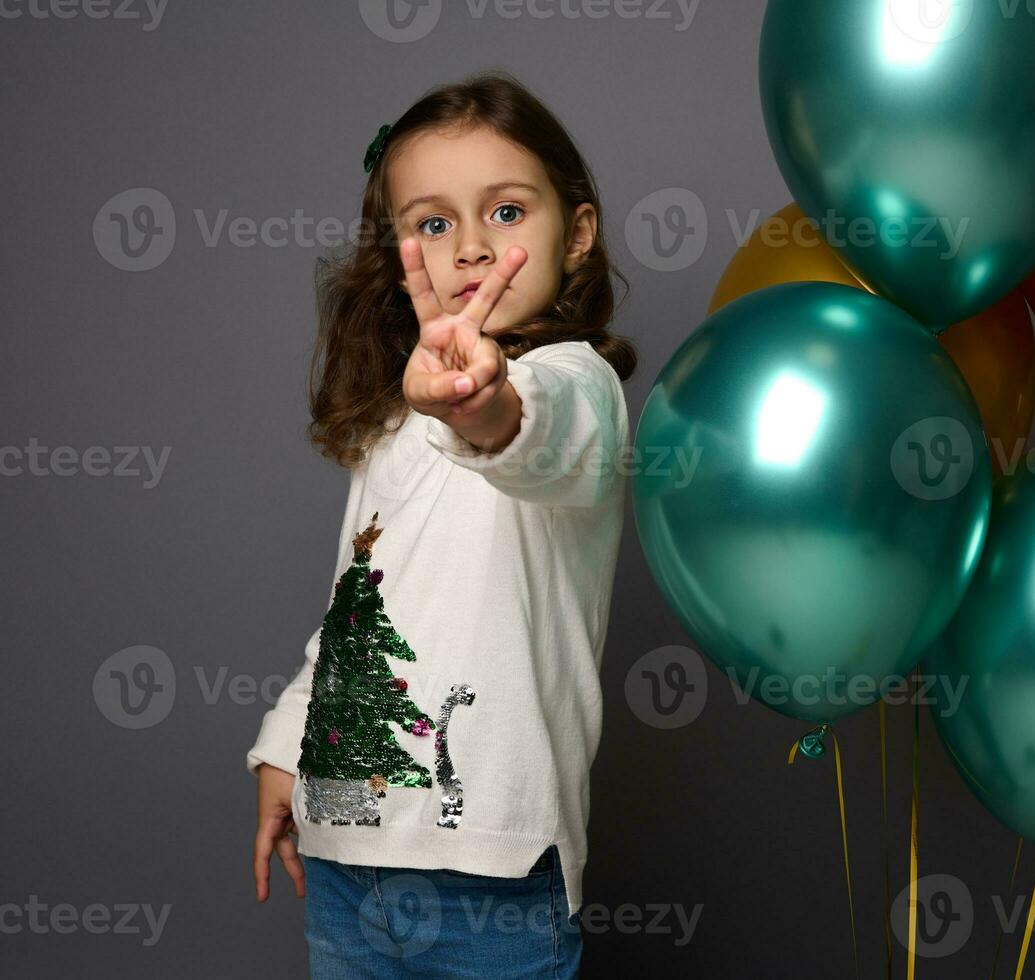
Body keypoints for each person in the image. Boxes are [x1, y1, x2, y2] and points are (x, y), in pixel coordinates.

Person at [246, 69, 637, 979]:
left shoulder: (575, 385)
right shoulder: (390, 422)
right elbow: (359, 611)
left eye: (504, 212)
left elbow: (538, 441)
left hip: (492, 877)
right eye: (433, 223)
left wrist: (480, 410)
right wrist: (282, 749)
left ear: (575, 235)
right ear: (397, 254)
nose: (469, 248)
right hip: (345, 857)